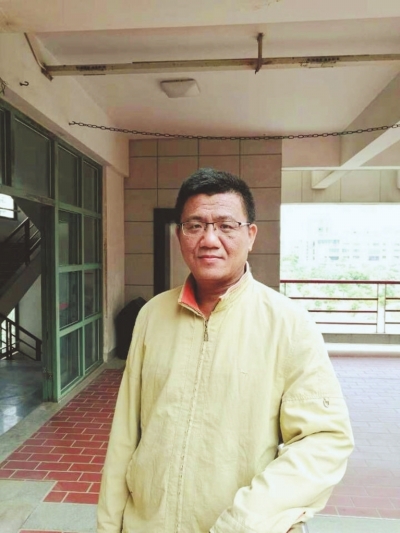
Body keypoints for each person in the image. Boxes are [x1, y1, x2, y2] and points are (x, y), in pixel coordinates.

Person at [97, 168, 354, 533]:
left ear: (250, 235)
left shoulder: (289, 323)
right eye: (195, 225)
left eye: (226, 226)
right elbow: (125, 435)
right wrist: (109, 526)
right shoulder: (152, 315)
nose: (209, 239)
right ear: (179, 235)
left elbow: (324, 440)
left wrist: (245, 521)